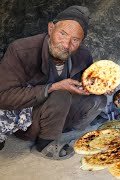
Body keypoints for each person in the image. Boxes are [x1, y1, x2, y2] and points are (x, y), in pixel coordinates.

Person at [0, 5, 107, 160]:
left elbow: (86, 84)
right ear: (51, 28)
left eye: (75, 40)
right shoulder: (21, 50)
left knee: (99, 100)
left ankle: (64, 129)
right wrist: (52, 88)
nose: (66, 44)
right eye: (62, 34)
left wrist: (102, 86)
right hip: (27, 120)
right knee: (61, 94)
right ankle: (45, 143)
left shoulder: (83, 55)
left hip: (58, 115)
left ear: (81, 41)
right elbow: (3, 96)